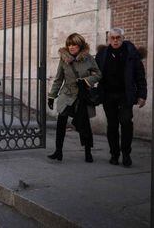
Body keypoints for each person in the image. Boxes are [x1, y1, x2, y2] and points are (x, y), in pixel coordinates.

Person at [95, 28, 147, 167]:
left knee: (125, 122)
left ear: (123, 38)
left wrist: (142, 95)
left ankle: (126, 154)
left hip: (125, 95)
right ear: (108, 39)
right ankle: (114, 154)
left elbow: (140, 75)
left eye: (118, 37)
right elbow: (93, 72)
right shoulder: (102, 54)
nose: (115, 40)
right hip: (108, 95)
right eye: (112, 38)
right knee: (112, 125)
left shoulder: (131, 53)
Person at [48, 33, 102, 162]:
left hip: (82, 96)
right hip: (67, 95)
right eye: (69, 44)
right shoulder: (64, 59)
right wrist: (51, 96)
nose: (71, 47)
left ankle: (88, 152)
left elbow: (98, 74)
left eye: (74, 44)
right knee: (61, 122)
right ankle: (58, 152)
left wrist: (86, 81)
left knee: (84, 125)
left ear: (80, 45)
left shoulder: (88, 58)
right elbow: (58, 79)